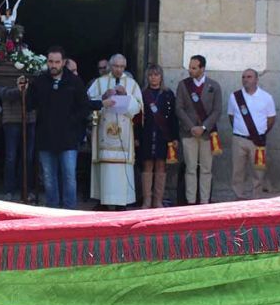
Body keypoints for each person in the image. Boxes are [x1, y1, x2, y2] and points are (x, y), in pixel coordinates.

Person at [19, 46, 90, 209]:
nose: (53, 65)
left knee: (69, 177)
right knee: (49, 178)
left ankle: (69, 211)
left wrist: (71, 121)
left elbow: (84, 107)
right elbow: (30, 105)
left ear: (63, 62)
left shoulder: (74, 82)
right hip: (46, 137)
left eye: (57, 62)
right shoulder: (40, 81)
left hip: (68, 138)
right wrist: (23, 90)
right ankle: (52, 211)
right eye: (50, 61)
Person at [87, 54, 142, 210]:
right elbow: (87, 102)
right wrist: (103, 97)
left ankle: (121, 202)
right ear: (110, 66)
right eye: (116, 66)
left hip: (123, 133)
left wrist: (126, 96)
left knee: (121, 168)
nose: (119, 69)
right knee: (105, 167)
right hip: (104, 131)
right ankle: (103, 200)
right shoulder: (100, 82)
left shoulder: (132, 84)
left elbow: (138, 108)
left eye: (122, 67)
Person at [175, 55, 223, 205]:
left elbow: (217, 110)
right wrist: (192, 127)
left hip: (207, 134)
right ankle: (190, 201)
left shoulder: (214, 86)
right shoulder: (183, 85)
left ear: (202, 68)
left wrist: (203, 127)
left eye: (194, 68)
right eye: (189, 67)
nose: (190, 70)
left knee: (206, 169)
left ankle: (204, 201)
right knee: (190, 168)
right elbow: (179, 108)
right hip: (188, 133)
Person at [227, 68, 276, 200]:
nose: (245, 80)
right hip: (239, 139)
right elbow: (231, 117)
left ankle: (256, 197)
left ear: (256, 79)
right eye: (243, 77)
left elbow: (271, 119)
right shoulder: (235, 96)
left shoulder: (266, 97)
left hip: (257, 140)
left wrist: (260, 133)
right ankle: (239, 196)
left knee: (258, 171)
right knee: (238, 170)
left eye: (249, 77)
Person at [136, 64, 177, 208]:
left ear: (161, 76)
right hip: (146, 133)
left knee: (161, 165)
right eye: (151, 75)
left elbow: (173, 117)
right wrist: (136, 136)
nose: (154, 77)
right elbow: (137, 117)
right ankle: (147, 199)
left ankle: (157, 200)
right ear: (147, 77)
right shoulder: (141, 94)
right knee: (147, 164)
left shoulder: (168, 94)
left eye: (156, 74)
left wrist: (174, 138)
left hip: (163, 134)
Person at [0, 83, 35, 201]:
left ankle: (26, 190)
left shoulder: (33, 71)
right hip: (11, 119)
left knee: (28, 157)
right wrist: (20, 90)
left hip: (30, 119)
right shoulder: (6, 73)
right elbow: (3, 94)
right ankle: (9, 190)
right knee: (11, 157)